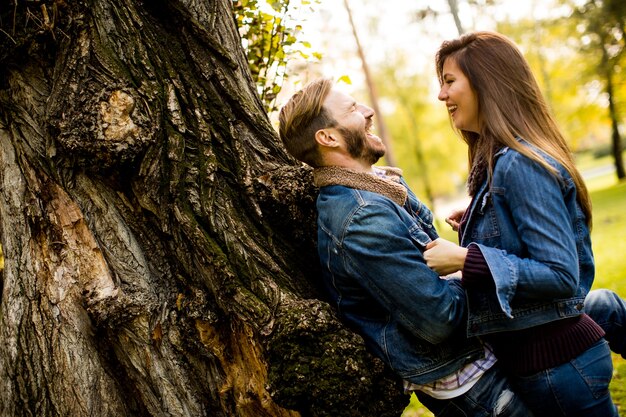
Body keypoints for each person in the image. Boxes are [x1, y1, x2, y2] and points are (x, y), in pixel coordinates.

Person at [278, 77, 532, 416]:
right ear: (328, 137)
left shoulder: (382, 186)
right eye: (353, 109)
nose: (368, 111)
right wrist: (482, 268)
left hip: (481, 350)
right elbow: (438, 318)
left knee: (600, 313)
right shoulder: (362, 219)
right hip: (468, 380)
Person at [424, 31, 617, 416]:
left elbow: (560, 273)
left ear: (486, 82)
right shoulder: (500, 163)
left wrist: (466, 259)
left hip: (561, 367)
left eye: (449, 81)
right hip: (547, 366)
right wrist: (483, 220)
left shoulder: (519, 163)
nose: (442, 96)